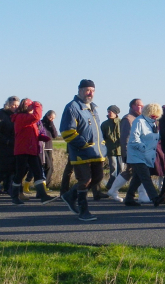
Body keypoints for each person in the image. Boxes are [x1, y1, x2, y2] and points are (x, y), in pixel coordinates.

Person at [59, 79, 106, 221]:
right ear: (79, 90)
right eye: (87, 90)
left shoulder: (93, 108)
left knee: (98, 178)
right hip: (81, 152)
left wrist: (102, 145)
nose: (90, 93)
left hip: (97, 152)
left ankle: (69, 196)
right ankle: (83, 210)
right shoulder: (72, 107)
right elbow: (67, 131)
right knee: (85, 180)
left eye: (92, 90)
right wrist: (83, 144)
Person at [10, 98, 58, 205]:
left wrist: (40, 137)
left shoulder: (27, 119)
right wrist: (38, 105)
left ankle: (43, 196)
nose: (32, 108)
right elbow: (37, 116)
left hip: (31, 149)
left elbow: (29, 133)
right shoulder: (21, 117)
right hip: (22, 150)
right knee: (20, 173)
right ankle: (14, 196)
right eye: (31, 106)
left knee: (38, 172)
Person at [106, 99, 150, 203]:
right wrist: (126, 153)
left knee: (132, 172)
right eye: (139, 105)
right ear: (133, 106)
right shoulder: (128, 119)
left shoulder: (140, 118)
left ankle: (113, 190)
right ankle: (142, 195)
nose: (142, 108)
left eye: (143, 105)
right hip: (132, 152)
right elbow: (125, 138)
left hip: (139, 151)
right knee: (139, 172)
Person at [123, 103, 162, 206]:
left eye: (157, 115)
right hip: (137, 155)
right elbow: (134, 139)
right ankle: (155, 198)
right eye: (153, 114)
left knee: (137, 178)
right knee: (145, 177)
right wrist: (143, 148)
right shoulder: (139, 121)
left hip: (146, 156)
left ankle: (129, 198)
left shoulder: (153, 123)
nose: (155, 116)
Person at [0, 96, 20, 196]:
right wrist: (6, 141)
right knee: (4, 171)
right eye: (12, 105)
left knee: (15, 170)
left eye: (16, 105)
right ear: (8, 105)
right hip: (4, 146)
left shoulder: (18, 115)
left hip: (15, 145)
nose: (14, 107)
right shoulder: (2, 113)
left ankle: (10, 190)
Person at [101, 105, 122, 191]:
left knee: (121, 170)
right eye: (108, 111)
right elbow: (102, 138)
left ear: (115, 113)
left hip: (121, 150)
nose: (109, 113)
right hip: (110, 150)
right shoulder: (104, 124)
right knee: (113, 168)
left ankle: (117, 187)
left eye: (110, 111)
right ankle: (110, 186)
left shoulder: (122, 122)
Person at [41, 110, 58, 188]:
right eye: (50, 117)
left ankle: (46, 185)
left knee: (51, 167)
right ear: (47, 116)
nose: (51, 119)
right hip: (43, 148)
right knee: (47, 166)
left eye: (53, 118)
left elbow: (55, 135)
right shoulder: (41, 123)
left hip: (49, 148)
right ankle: (43, 185)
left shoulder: (51, 125)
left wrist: (51, 124)